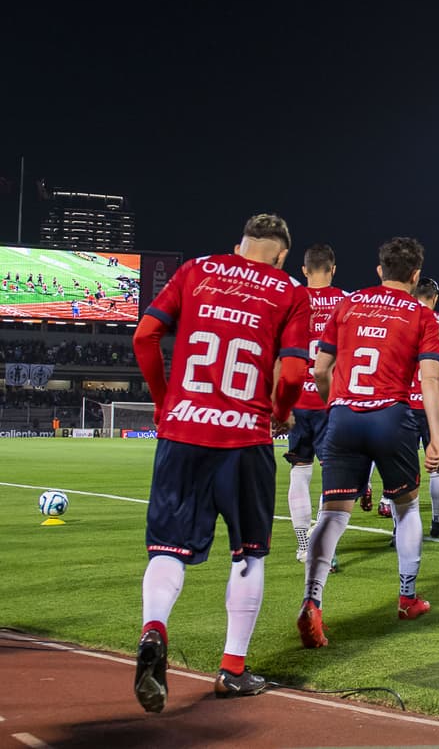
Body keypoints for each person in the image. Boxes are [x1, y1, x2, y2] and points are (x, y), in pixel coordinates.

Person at [131, 213, 310, 711]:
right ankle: (232, 669)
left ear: (240, 245)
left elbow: (144, 336)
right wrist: (281, 411)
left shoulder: (196, 270)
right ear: (281, 254)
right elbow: (293, 372)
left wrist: (164, 400)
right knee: (249, 554)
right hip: (245, 438)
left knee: (167, 549)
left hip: (183, 430)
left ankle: (154, 628)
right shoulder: (289, 290)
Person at [297, 237, 439, 648]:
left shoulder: (347, 304)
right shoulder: (421, 315)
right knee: (406, 507)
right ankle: (407, 598)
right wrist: (435, 437)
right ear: (415, 275)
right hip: (390, 417)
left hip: (344, 414)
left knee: (332, 515)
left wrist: (333, 404)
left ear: (379, 270)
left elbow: (320, 369)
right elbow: (431, 378)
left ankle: (312, 600)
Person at [285, 244, 347, 563]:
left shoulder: (290, 299)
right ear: (333, 269)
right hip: (330, 400)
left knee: (300, 470)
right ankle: (322, 543)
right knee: (332, 474)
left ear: (304, 270)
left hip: (297, 398)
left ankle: (302, 545)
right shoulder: (347, 301)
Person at [410, 278, 439, 539]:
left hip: (404, 402)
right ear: (436, 298)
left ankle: (400, 528)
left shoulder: (401, 317)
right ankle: (437, 520)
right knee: (437, 466)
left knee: (404, 467)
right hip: (434, 401)